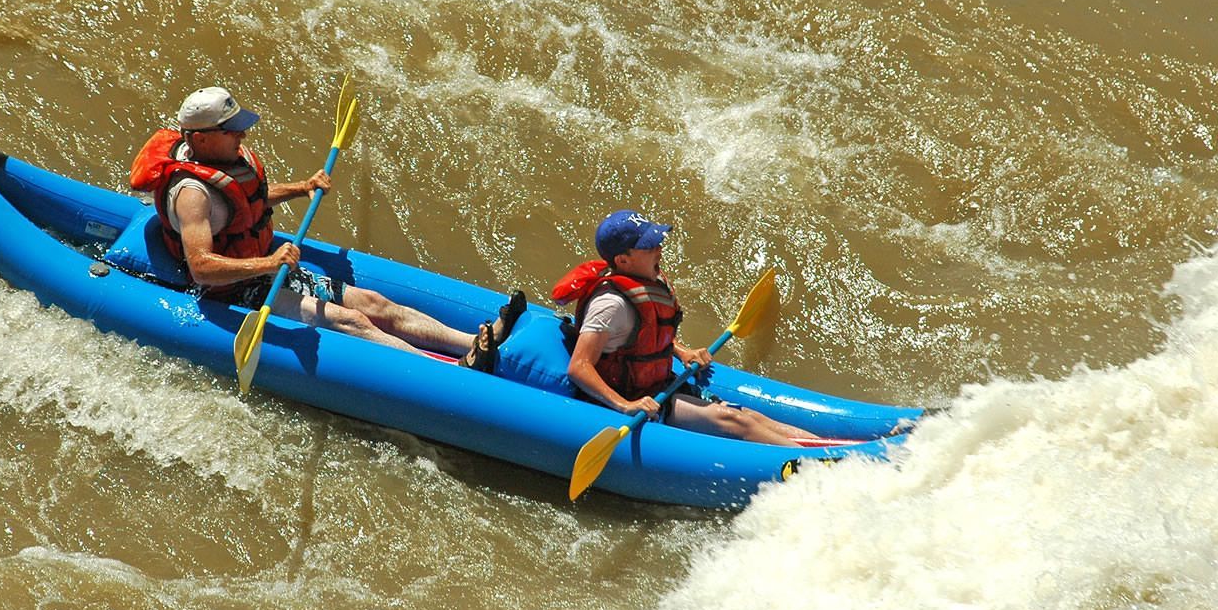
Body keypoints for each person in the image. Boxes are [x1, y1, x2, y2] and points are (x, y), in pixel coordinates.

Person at [131, 86, 524, 368]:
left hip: (265, 271)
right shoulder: (192, 194)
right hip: (232, 290)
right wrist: (268, 264)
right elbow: (201, 267)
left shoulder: (226, 158)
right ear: (201, 139)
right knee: (351, 320)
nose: (243, 134)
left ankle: (475, 341)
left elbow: (247, 203)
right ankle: (451, 372)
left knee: (374, 303)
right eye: (232, 129)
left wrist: (301, 187)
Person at [551, 209, 809, 445]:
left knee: (751, 415)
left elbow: (644, 333)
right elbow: (579, 367)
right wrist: (625, 405)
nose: (659, 249)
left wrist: (682, 351)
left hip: (660, 385)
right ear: (623, 260)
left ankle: (826, 450)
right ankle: (812, 464)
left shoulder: (647, 280)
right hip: (637, 396)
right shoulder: (610, 305)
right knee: (735, 421)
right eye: (648, 246)